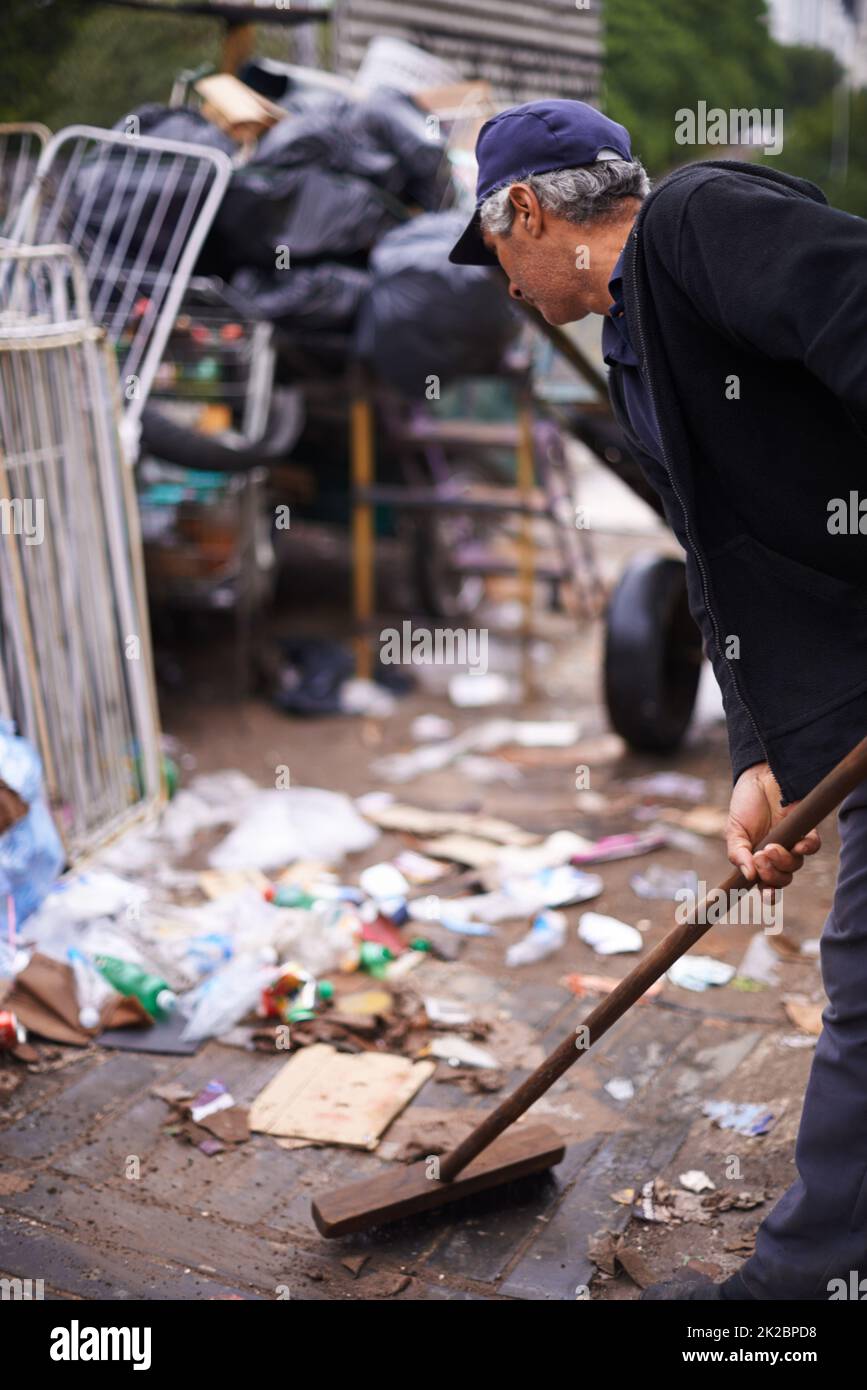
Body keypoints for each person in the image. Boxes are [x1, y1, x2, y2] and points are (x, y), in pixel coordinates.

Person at [449, 98, 867, 1301]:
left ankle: (794, 1298)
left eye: (495, 255)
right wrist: (760, 753)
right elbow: (723, 564)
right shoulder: (638, 352)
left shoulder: (699, 221)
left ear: (528, 209)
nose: (504, 286)